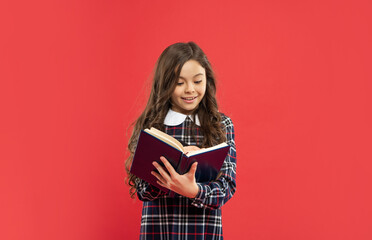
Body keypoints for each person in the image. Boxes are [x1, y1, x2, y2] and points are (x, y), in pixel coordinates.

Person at [125, 42, 237, 240]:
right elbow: (142, 191)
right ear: (165, 83)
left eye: (197, 81)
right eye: (179, 83)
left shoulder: (222, 125)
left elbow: (226, 188)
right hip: (159, 232)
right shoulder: (151, 125)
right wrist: (168, 179)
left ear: (207, 81)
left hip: (204, 233)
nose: (190, 90)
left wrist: (194, 191)